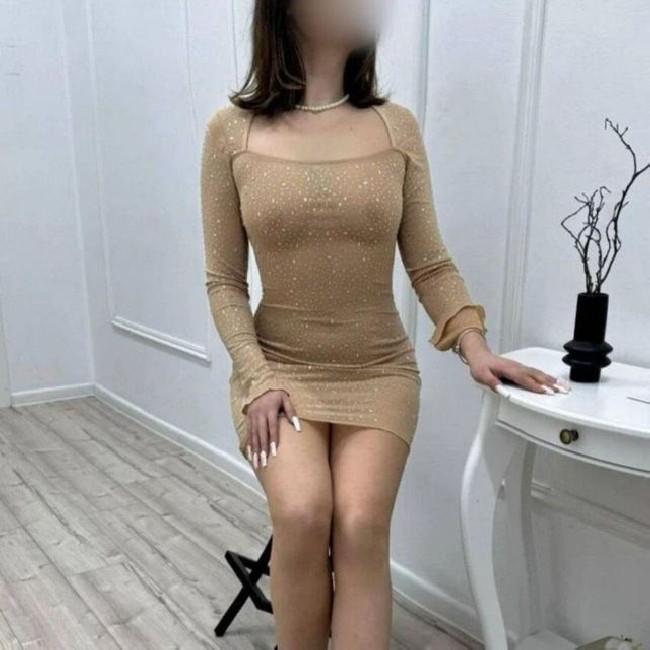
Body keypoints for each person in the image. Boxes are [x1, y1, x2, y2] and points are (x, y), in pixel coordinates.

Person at [199, 1, 566, 647]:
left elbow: (429, 262)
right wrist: (257, 378)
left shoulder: (396, 127)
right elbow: (224, 281)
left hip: (378, 371)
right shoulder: (231, 131)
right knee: (302, 513)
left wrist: (475, 346)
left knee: (362, 524)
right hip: (277, 370)